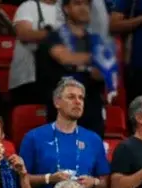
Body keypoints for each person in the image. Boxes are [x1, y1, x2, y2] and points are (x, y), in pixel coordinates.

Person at [21, 78, 111, 188]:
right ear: (57, 102)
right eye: (71, 97)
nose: (78, 101)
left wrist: (93, 182)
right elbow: (22, 178)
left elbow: (106, 183)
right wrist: (49, 178)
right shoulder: (34, 137)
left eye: (81, 98)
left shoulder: (93, 139)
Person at [36, 0, 111, 137]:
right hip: (62, 110)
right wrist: (95, 59)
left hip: (91, 109)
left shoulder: (95, 40)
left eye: (86, 4)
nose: (83, 8)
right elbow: (65, 57)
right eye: (77, 4)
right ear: (66, 8)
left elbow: (103, 72)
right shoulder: (54, 37)